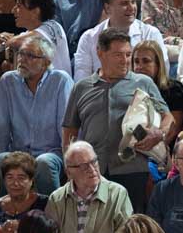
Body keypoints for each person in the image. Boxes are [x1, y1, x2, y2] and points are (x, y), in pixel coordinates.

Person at [64, 30, 169, 212]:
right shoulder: (81, 88)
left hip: (133, 169)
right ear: (100, 53)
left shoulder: (143, 82)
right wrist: (69, 166)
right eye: (118, 55)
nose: (125, 60)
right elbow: (69, 131)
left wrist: (159, 133)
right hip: (92, 171)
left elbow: (168, 117)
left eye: (128, 54)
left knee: (130, 226)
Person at [0, 34, 72, 197]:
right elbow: (2, 127)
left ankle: (51, 215)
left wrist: (69, 163)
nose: (22, 59)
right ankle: (1, 213)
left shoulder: (60, 81)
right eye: (21, 54)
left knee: (44, 162)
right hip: (19, 152)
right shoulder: (8, 81)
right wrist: (0, 152)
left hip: (52, 152)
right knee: (0, 160)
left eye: (30, 56)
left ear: (46, 62)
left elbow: (65, 127)